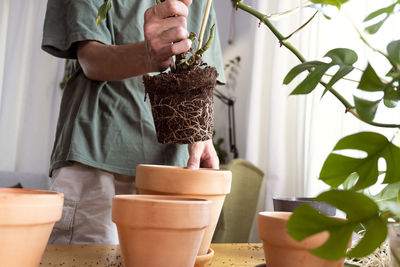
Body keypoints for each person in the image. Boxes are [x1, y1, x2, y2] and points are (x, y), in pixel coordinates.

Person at [41, 0, 226, 244]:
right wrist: (148, 54)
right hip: (96, 160)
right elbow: (91, 59)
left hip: (171, 169)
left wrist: (201, 133)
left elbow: (201, 71)